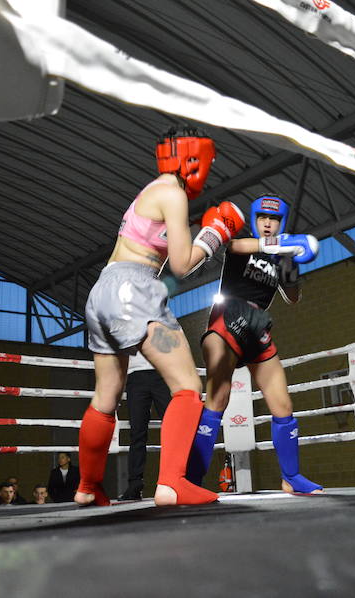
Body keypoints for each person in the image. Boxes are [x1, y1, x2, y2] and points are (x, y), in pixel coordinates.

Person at [75, 126, 244, 507]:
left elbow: (163, 259)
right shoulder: (173, 193)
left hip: (104, 290)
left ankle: (87, 486)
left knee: (105, 396)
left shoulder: (150, 191)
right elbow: (182, 266)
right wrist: (215, 234)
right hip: (134, 288)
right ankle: (171, 483)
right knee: (187, 386)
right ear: (194, 159)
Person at [185, 194, 323, 495]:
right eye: (263, 218)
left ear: (280, 222)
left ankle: (291, 477)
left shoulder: (283, 255)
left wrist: (291, 267)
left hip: (258, 323)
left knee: (283, 403)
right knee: (217, 397)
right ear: (255, 220)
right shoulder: (246, 244)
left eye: (273, 219)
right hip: (228, 316)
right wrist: (282, 244)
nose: (268, 223)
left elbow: (293, 298)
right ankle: (192, 481)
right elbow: (234, 246)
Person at [119, 351, 172, 501]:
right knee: (137, 432)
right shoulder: (125, 326)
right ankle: (135, 484)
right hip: (135, 376)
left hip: (161, 372)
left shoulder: (165, 325)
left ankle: (174, 480)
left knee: (172, 429)